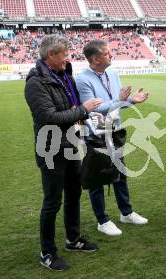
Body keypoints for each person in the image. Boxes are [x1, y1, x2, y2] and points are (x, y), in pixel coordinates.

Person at [25, 34, 100, 271]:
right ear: (51, 55)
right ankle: (47, 253)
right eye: (64, 55)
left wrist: (84, 113)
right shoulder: (36, 82)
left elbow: (71, 106)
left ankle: (73, 239)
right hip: (51, 149)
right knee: (52, 202)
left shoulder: (63, 75)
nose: (68, 58)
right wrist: (82, 110)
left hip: (70, 144)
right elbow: (49, 118)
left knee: (74, 194)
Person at [76, 39, 149, 236]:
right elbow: (93, 108)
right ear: (96, 58)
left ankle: (126, 212)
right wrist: (120, 100)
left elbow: (117, 103)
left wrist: (132, 101)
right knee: (97, 178)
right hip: (96, 134)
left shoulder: (113, 73)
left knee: (121, 174)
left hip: (115, 131)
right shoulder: (82, 79)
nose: (111, 55)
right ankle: (102, 220)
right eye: (107, 53)